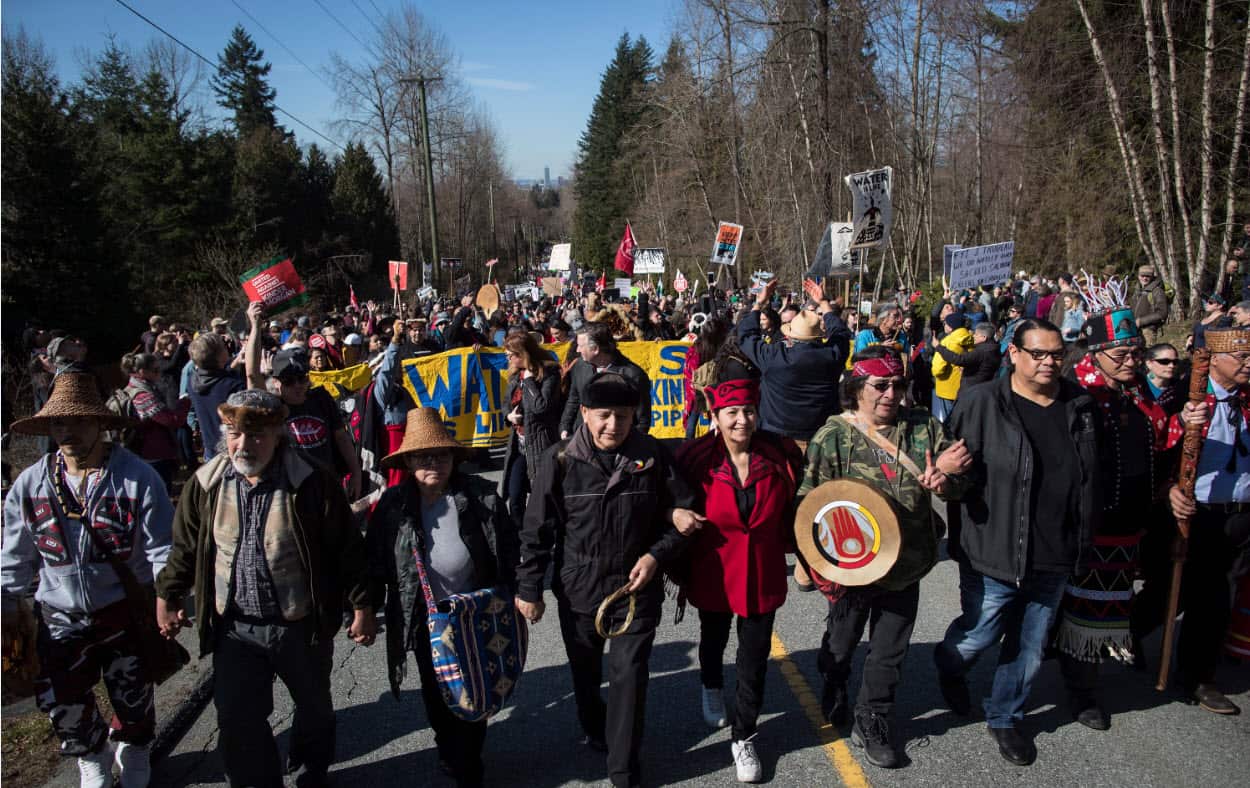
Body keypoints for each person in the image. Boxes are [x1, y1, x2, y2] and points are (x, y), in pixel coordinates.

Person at [155, 389, 375, 787]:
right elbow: (185, 547)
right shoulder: (206, 484)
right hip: (235, 626)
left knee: (314, 710)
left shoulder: (311, 481)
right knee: (238, 719)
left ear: (278, 434)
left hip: (300, 622)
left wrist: (362, 605)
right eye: (235, 432)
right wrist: (168, 594)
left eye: (256, 434)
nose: (244, 444)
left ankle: (311, 773)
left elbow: (347, 549)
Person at [516, 372, 698, 788]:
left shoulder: (653, 456)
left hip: (637, 586)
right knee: (585, 673)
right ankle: (594, 726)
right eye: (603, 415)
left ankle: (623, 770)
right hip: (579, 584)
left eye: (623, 415)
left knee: (629, 676)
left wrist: (656, 556)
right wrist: (529, 588)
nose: (613, 425)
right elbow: (536, 529)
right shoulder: (559, 460)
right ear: (583, 413)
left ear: (635, 415)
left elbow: (686, 515)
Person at [934, 319, 1102, 766]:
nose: (1049, 362)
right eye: (1039, 354)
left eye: (1056, 354)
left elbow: (1090, 477)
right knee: (978, 634)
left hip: (1055, 550)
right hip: (992, 546)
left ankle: (1005, 716)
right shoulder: (981, 402)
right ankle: (949, 664)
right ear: (1014, 354)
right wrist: (947, 484)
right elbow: (955, 475)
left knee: (1028, 645)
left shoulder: (1080, 405)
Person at [800, 347, 970, 768]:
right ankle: (834, 680)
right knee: (841, 644)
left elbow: (962, 486)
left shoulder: (925, 428)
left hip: (905, 563)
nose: (891, 394)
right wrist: (812, 562)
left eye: (899, 385)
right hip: (851, 568)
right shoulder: (833, 436)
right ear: (857, 388)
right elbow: (808, 503)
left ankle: (872, 717)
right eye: (880, 385)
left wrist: (945, 480)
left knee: (889, 651)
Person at [2, 373, 173, 788]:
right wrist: (7, 608)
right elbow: (14, 556)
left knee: (133, 692)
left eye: (78, 422)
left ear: (101, 424)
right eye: (60, 424)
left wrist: (167, 598)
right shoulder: (30, 483)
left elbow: (162, 550)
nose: (68, 432)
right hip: (58, 615)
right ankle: (92, 758)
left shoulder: (138, 478)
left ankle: (133, 750)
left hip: (123, 611)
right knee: (62, 699)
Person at [368, 407, 517, 788]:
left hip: (476, 612)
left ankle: (468, 765)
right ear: (409, 461)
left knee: (476, 696)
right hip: (423, 618)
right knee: (438, 698)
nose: (433, 462)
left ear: (454, 458)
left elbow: (509, 551)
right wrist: (363, 608)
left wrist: (517, 595)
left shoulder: (482, 498)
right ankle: (450, 748)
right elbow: (375, 563)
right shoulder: (392, 506)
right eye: (422, 456)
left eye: (441, 455)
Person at [1055, 300, 1175, 729]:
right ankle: (1081, 689)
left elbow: (1161, 443)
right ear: (1096, 354)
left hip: (1131, 524)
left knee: (1115, 606)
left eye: (1135, 353)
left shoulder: (1141, 395)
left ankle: (1096, 662)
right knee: (1084, 610)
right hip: (1089, 526)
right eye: (1120, 354)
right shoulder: (1076, 396)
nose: (1131, 361)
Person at [675, 378, 802, 782]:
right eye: (731, 413)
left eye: (748, 411)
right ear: (714, 417)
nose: (741, 420)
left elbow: (799, 508)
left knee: (754, 658)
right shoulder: (695, 457)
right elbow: (669, 500)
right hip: (714, 569)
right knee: (712, 639)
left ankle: (744, 735)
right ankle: (711, 684)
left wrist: (809, 560)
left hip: (763, 574)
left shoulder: (780, 454)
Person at [1136, 327, 1250, 714]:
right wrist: (1169, 488)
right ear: (1215, 359)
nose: (1248, 364)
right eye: (1242, 357)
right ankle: (1129, 631)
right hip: (1192, 515)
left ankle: (1199, 677)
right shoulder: (1183, 397)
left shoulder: (1247, 402)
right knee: (1169, 591)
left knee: (1218, 598)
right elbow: (1154, 452)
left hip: (1239, 515)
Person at [245, 303, 363, 500]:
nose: (298, 385)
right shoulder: (273, 406)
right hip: (289, 492)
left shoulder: (321, 398)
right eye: (289, 381)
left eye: (302, 379)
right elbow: (251, 375)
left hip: (326, 486)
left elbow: (341, 437)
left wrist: (356, 473)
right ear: (277, 383)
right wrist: (255, 326)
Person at [500, 332, 562, 531]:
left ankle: (545, 537)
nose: (508, 359)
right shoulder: (514, 374)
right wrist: (509, 416)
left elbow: (541, 406)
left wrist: (529, 382)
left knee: (542, 496)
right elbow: (506, 403)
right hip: (518, 443)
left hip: (540, 442)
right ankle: (521, 539)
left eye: (511, 355)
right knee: (514, 495)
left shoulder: (548, 372)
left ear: (523, 353)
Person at [559, 323, 651, 440]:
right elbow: (574, 400)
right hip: (582, 440)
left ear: (596, 349)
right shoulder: (580, 366)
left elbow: (642, 420)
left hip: (617, 443)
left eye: (580, 346)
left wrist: (627, 447)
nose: (577, 350)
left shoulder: (633, 375)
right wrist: (564, 428)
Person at [117, 352, 190, 491]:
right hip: (152, 454)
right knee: (159, 492)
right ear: (142, 372)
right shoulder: (142, 395)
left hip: (149, 452)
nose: (159, 373)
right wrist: (184, 403)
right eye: (155, 370)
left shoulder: (137, 388)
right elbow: (171, 421)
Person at [187, 332, 247, 462]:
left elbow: (214, 379)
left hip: (209, 449)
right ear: (219, 356)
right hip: (231, 451)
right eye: (223, 347)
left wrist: (235, 363)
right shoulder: (234, 386)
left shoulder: (192, 381)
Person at [932, 322, 1001, 390]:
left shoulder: (981, 351)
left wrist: (938, 347)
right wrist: (968, 368)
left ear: (983, 337)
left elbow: (958, 359)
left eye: (976, 334)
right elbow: (983, 366)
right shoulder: (994, 348)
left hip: (972, 388)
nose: (973, 336)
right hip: (984, 386)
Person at [930, 313, 973, 422]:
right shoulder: (970, 339)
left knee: (946, 421)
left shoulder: (947, 342)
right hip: (964, 385)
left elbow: (938, 369)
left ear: (951, 326)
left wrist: (934, 374)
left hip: (946, 387)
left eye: (945, 323)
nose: (944, 325)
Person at [1132, 265, 1170, 344]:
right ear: (1138, 276)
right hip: (1136, 330)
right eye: (1142, 276)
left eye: (1148, 276)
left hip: (1148, 331)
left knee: (1148, 354)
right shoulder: (1138, 290)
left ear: (1152, 277)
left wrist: (1140, 321)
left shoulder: (1157, 291)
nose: (1145, 278)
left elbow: (1162, 313)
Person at [1143, 343, 1183, 414]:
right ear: (1149, 363)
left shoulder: (1180, 389)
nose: (1171, 366)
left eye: (1175, 362)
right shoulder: (1138, 386)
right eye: (1165, 361)